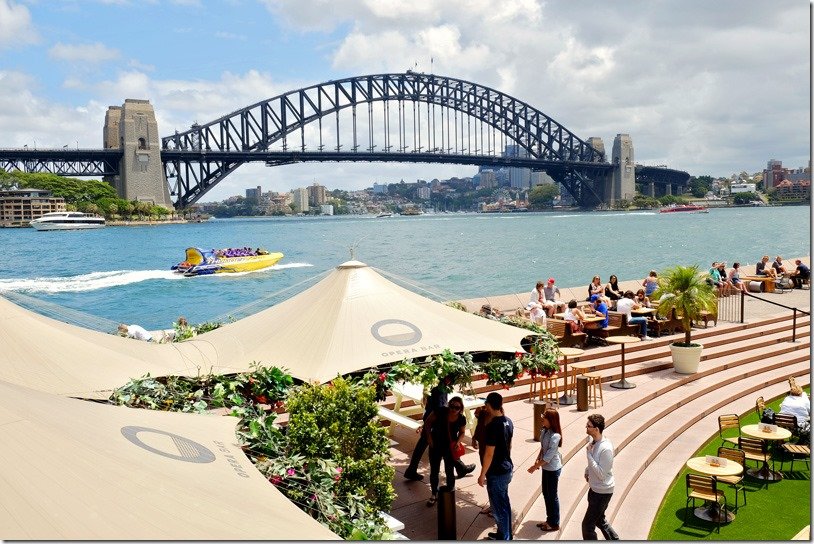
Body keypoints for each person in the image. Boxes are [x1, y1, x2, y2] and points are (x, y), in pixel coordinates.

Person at [404, 386, 475, 481]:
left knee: (435, 444)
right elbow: (439, 406)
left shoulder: (437, 384)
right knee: (442, 445)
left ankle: (460, 468)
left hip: (435, 417)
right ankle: (460, 468)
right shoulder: (439, 390)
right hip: (436, 419)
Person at [478, 392, 514, 541]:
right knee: (504, 502)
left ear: (488, 405)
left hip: (497, 472)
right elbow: (509, 445)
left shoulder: (494, 426)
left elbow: (489, 454)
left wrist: (482, 474)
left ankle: (504, 537)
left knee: (499, 507)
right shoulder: (508, 421)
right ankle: (503, 533)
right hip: (506, 468)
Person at [423, 397, 468, 507]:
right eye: (451, 406)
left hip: (449, 447)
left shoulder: (461, 418)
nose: (453, 409)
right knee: (434, 470)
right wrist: (429, 438)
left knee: (449, 471)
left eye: (457, 407)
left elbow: (462, 432)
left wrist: (458, 442)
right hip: (436, 445)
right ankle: (434, 494)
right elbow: (428, 423)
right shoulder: (441, 411)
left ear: (461, 408)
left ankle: (450, 493)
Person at [582, 413, 619, 540]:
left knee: (587, 526)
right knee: (599, 520)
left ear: (596, 429)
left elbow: (602, 474)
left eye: (589, 426)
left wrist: (589, 455)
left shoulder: (606, 448)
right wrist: (588, 471)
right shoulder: (594, 443)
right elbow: (594, 465)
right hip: (594, 490)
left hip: (602, 492)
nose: (586, 427)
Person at [528, 408, 563, 532]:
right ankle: (550, 519)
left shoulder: (555, 436)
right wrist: (537, 460)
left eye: (545, 417)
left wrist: (534, 467)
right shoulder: (544, 431)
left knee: (552, 495)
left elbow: (548, 457)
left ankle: (554, 523)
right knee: (546, 493)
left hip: (553, 469)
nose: (542, 418)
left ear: (551, 420)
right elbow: (543, 449)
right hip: (545, 467)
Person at [472, 403, 497, 515]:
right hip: (483, 452)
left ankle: (496, 508)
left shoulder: (497, 421)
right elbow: (478, 427)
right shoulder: (483, 415)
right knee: (490, 482)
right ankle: (492, 506)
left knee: (494, 483)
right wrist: (473, 438)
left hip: (492, 456)